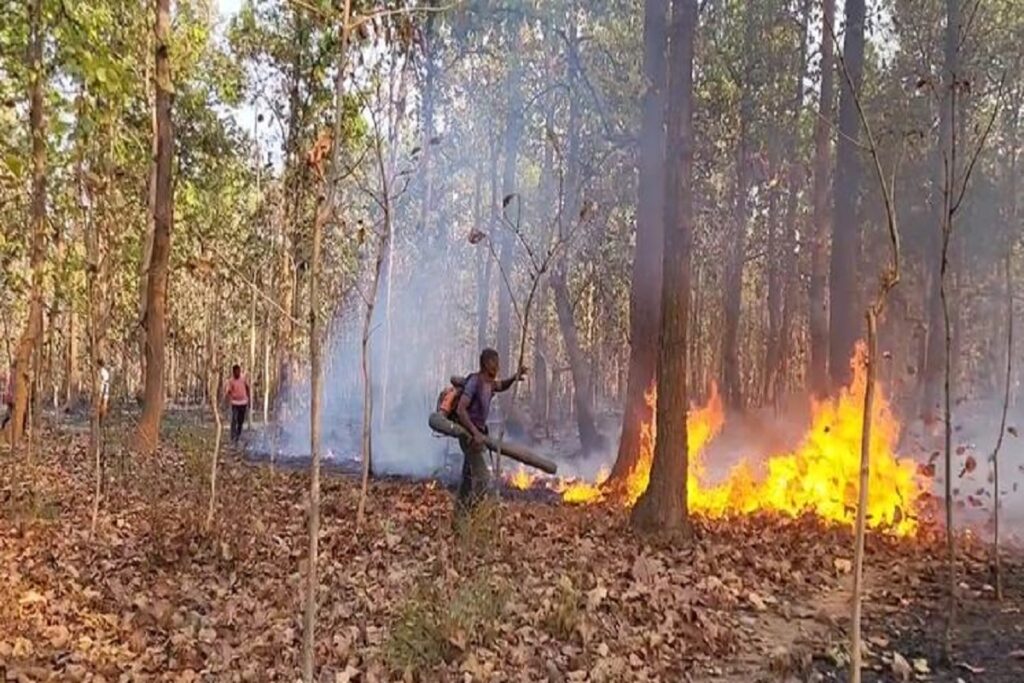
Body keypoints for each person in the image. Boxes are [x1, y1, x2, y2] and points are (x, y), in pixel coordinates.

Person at [453, 348, 527, 516]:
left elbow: (502, 385)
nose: (498, 366)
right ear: (486, 364)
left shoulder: (489, 384)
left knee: (467, 478)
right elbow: (461, 410)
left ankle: (459, 519)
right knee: (483, 478)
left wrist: (515, 377)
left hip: (478, 435)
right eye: (495, 362)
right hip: (469, 435)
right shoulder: (475, 382)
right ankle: (471, 514)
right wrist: (474, 433)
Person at [225, 364, 250, 445]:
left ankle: (238, 436)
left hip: (243, 402)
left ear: (240, 371)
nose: (237, 373)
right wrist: (229, 397)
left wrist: (248, 398)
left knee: (240, 421)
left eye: (238, 371)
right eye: (235, 372)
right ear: (233, 372)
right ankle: (233, 436)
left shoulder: (243, 379)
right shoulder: (231, 381)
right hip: (235, 403)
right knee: (234, 419)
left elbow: (247, 387)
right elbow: (228, 391)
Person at [1, 364, 13, 430]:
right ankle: (3, 426)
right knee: (9, 414)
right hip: (11, 398)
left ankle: (3, 426)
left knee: (9, 414)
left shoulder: (11, 375)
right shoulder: (13, 375)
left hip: (10, 397)